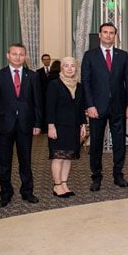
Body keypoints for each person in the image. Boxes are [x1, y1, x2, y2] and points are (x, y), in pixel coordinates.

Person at [0, 43, 42, 207]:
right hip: (4, 125)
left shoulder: (33, 76)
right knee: (3, 162)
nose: (18, 57)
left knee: (26, 160)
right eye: (14, 54)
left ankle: (27, 192)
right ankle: (5, 194)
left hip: (26, 125)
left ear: (25, 57)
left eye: (21, 54)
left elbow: (38, 102)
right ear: (8, 55)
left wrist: (38, 123)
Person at [81, 22, 128, 192]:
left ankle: (118, 175)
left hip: (119, 107)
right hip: (97, 108)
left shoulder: (123, 56)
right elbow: (86, 83)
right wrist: (89, 105)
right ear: (100, 35)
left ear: (115, 36)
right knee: (96, 143)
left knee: (119, 143)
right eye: (105, 32)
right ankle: (96, 177)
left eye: (112, 33)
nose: (108, 35)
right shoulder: (89, 55)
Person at [46, 57, 87, 198]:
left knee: (68, 156)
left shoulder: (79, 86)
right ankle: (57, 185)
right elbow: (50, 107)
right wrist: (51, 126)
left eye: (72, 66)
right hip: (58, 126)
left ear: (76, 68)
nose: (70, 69)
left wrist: (83, 124)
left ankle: (64, 183)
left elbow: (80, 107)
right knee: (58, 157)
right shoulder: (54, 84)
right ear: (61, 68)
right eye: (66, 66)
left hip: (74, 127)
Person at [36, 53, 52, 133]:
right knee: (43, 112)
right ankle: (44, 128)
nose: (46, 61)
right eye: (45, 60)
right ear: (42, 61)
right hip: (42, 97)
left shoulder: (55, 71)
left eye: (48, 59)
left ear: (50, 60)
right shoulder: (38, 72)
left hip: (52, 96)